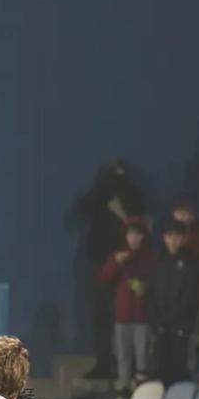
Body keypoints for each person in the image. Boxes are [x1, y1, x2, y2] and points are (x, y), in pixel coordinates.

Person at [69, 157, 147, 379]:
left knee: (123, 318)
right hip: (103, 262)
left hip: (125, 262)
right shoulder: (102, 192)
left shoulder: (128, 193)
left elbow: (138, 220)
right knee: (103, 317)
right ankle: (108, 365)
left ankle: (125, 369)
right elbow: (82, 209)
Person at [97, 219, 155, 394]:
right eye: (131, 235)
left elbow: (156, 282)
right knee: (123, 353)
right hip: (122, 315)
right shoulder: (118, 256)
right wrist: (116, 262)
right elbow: (104, 278)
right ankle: (123, 386)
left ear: (143, 236)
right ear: (126, 236)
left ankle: (141, 387)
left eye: (138, 235)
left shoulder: (150, 258)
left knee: (142, 352)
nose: (134, 239)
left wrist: (145, 287)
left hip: (142, 315)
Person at [146, 222, 199, 384]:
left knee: (179, 368)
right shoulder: (157, 261)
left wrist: (177, 319)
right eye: (169, 236)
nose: (173, 240)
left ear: (183, 238)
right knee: (159, 366)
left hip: (181, 326)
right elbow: (151, 293)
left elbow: (191, 295)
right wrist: (156, 321)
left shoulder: (190, 262)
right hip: (160, 326)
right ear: (164, 238)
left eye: (177, 236)